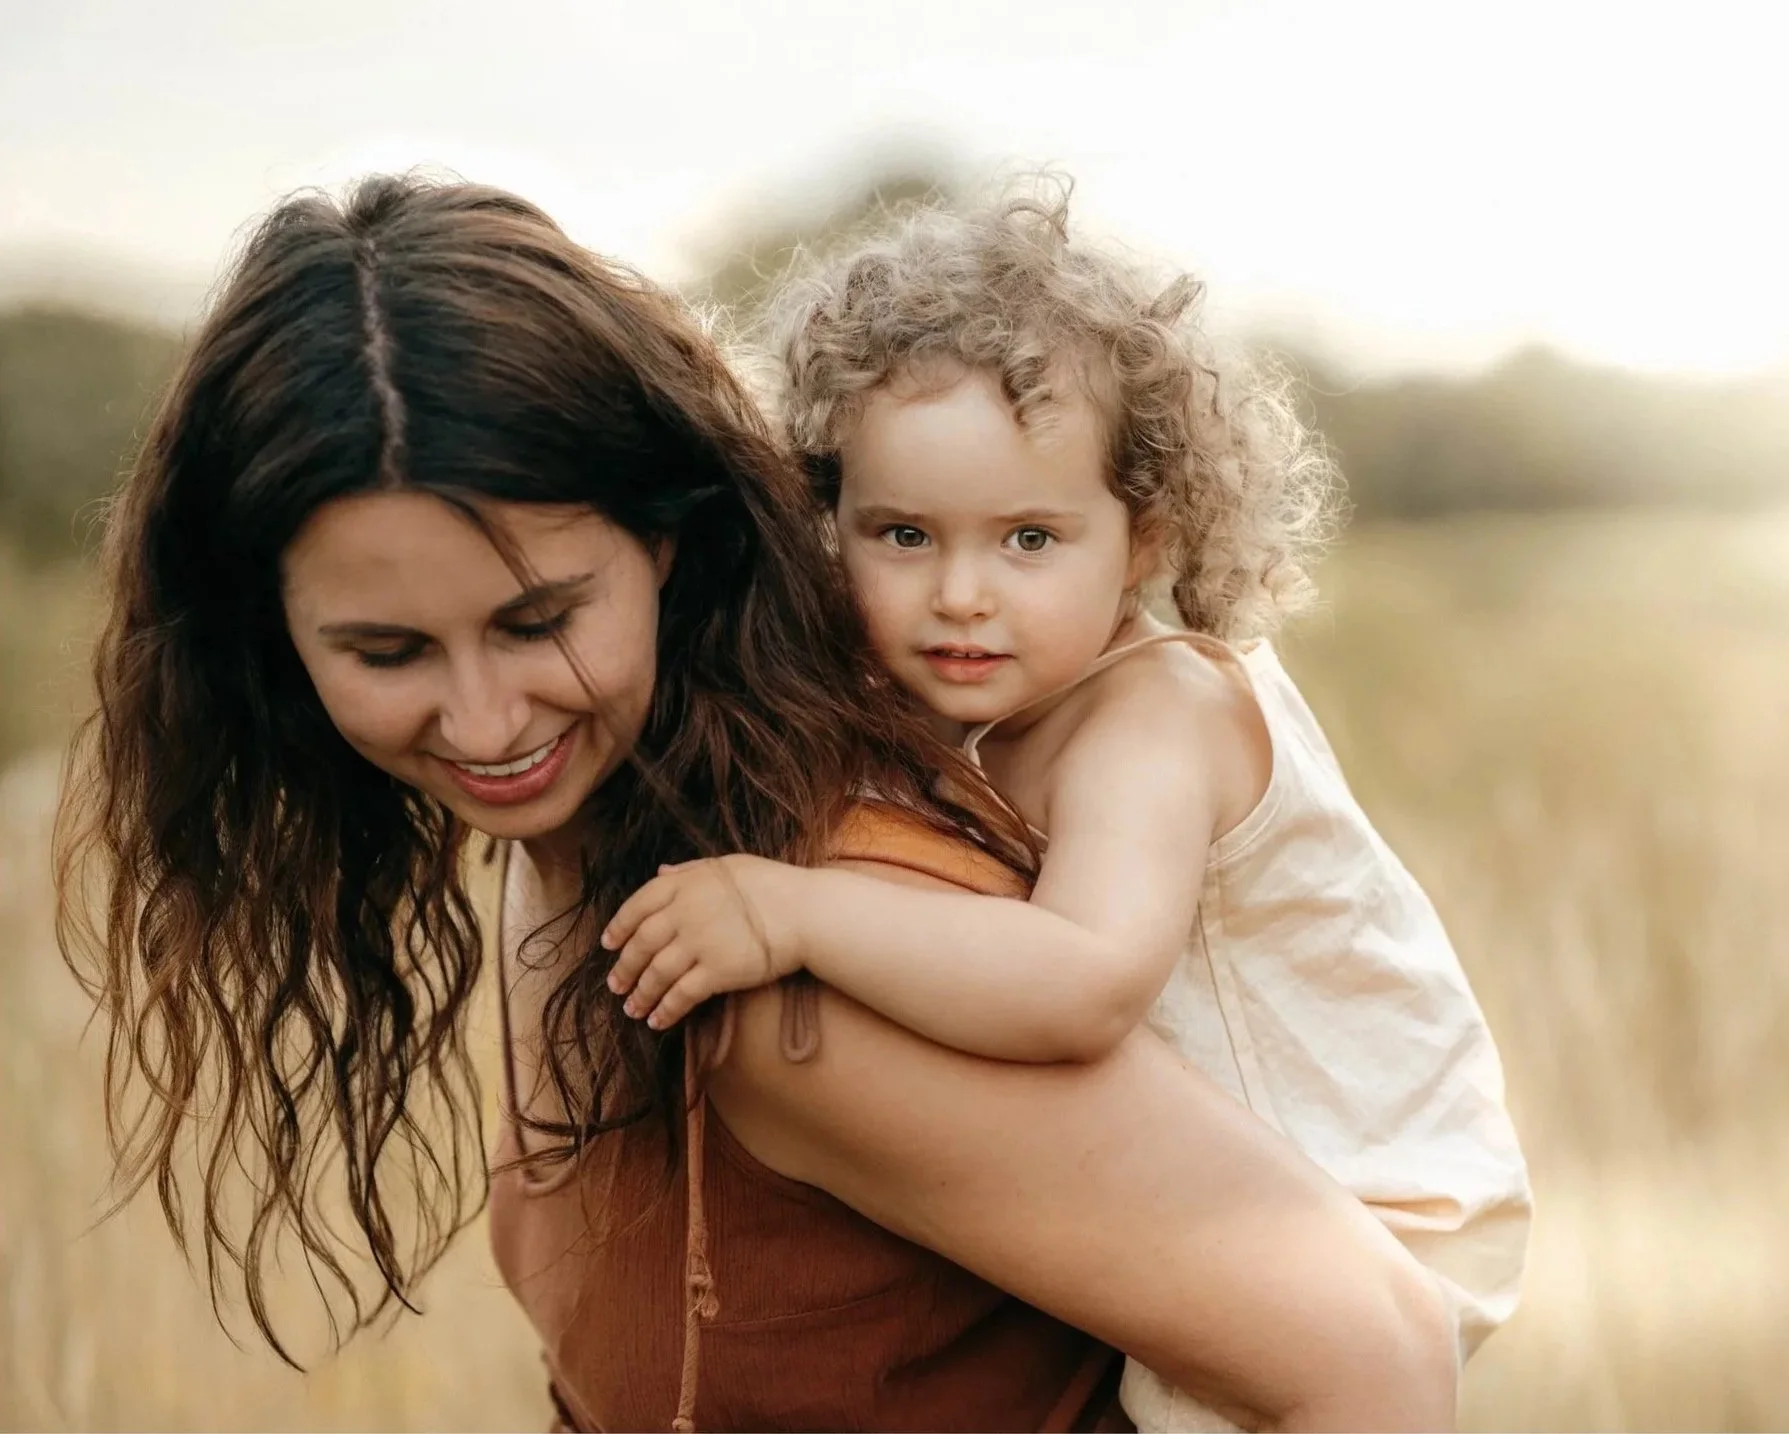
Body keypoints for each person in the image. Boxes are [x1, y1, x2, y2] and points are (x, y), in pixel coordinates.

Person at [54, 173, 1464, 1432]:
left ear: (668, 543)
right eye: (386, 650)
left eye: (539, 620)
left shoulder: (800, 960)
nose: (483, 724)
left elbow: (1374, 1364)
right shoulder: (581, 825)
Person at [597, 183, 1534, 1431]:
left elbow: (1080, 981)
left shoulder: (1152, 719)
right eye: (903, 535)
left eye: (1030, 539)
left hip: (1374, 1225)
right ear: (832, 522)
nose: (963, 595)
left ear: (1143, 541)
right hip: (1235, 1214)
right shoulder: (992, 685)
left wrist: (790, 916)